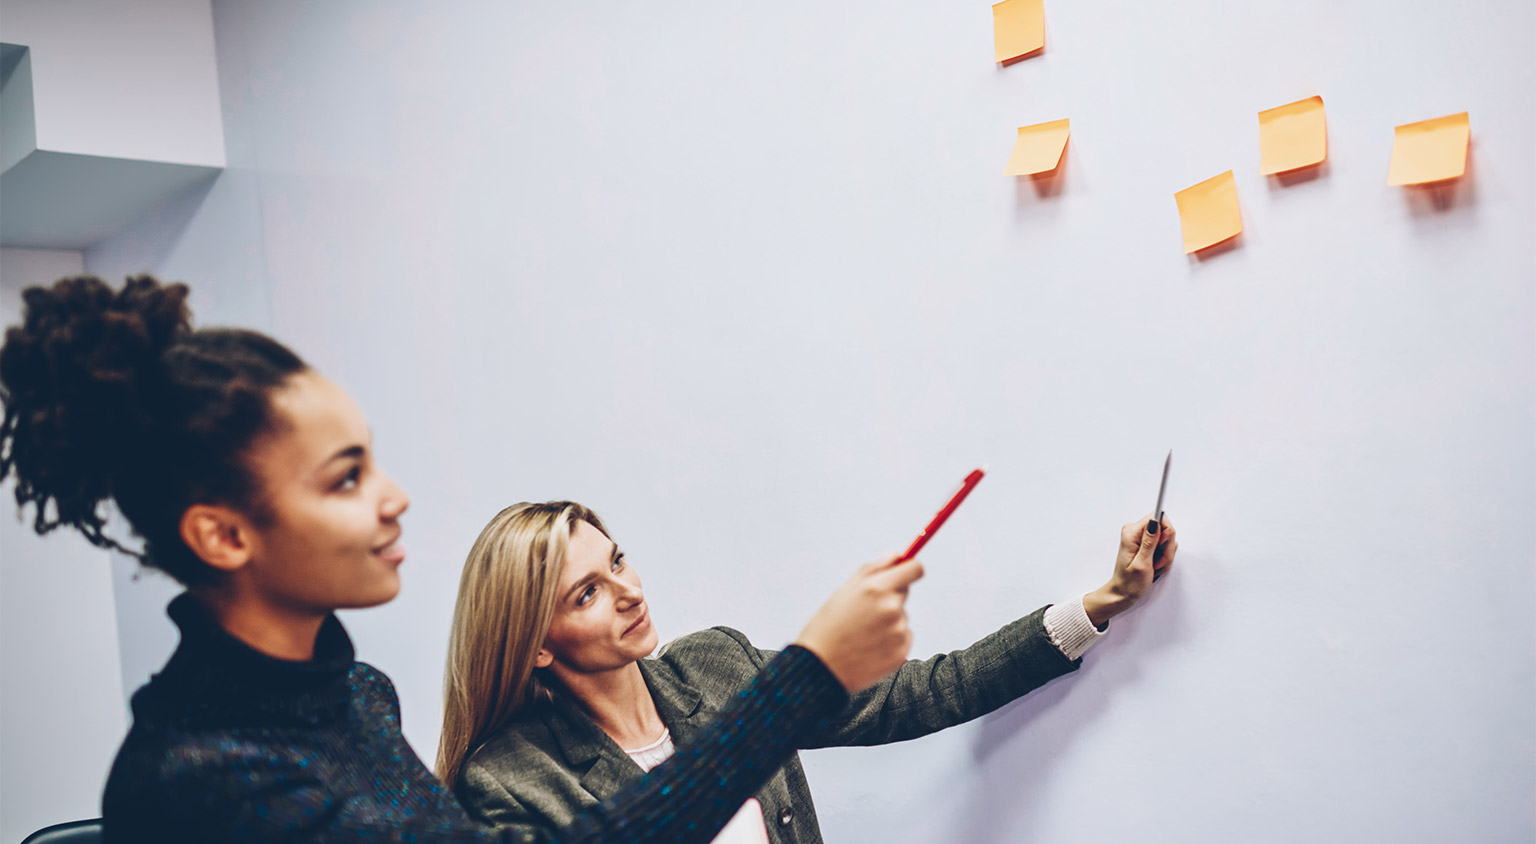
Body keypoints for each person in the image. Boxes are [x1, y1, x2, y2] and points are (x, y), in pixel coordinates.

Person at [0, 275, 926, 843]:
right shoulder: (207, 776)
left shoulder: (354, 698)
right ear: (224, 535)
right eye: (344, 478)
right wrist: (805, 678)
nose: (393, 496)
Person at [441, 501, 1177, 843]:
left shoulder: (716, 667)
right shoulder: (507, 781)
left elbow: (927, 692)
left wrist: (1102, 603)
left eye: (619, 560)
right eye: (589, 592)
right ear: (536, 643)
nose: (630, 590)